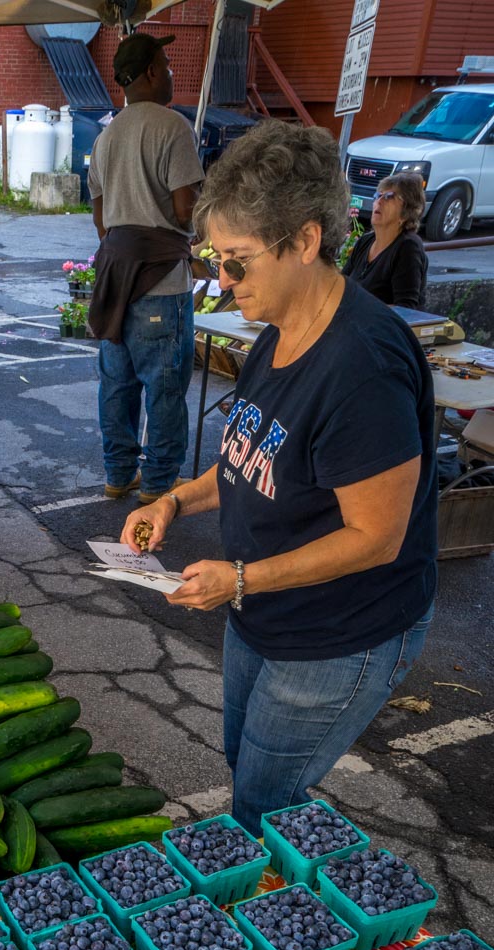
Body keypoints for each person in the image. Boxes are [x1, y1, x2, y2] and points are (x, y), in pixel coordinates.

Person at [120, 121, 438, 835]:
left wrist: (239, 580)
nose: (222, 280)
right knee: (248, 766)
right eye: (214, 258)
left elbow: (377, 537)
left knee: (267, 800)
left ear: (304, 240)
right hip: (264, 611)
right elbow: (246, 454)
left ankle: (295, 931)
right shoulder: (278, 330)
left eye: (237, 262)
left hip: (341, 631)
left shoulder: (362, 367)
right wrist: (174, 499)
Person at [87, 31, 204, 502]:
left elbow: (99, 218)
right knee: (165, 384)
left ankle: (119, 473)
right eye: (169, 64)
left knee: (117, 382)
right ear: (152, 72)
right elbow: (182, 211)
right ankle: (158, 482)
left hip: (115, 274)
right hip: (160, 278)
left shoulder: (106, 135)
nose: (172, 74)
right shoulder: (173, 126)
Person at [343, 172, 428, 308]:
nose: (379, 201)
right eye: (378, 196)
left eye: (389, 197)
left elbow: (406, 309)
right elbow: (341, 286)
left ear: (407, 211)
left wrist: (361, 310)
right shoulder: (365, 241)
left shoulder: (408, 248)